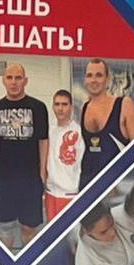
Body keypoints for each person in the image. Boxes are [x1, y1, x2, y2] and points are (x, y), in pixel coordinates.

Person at [0, 63, 47, 250]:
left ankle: (29, 263)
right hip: (3, 178)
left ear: (25, 81)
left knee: (29, 227)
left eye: (18, 78)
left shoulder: (38, 107)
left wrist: (42, 172)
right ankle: (6, 264)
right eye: (10, 78)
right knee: (5, 227)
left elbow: (43, 141)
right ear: (3, 81)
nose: (14, 82)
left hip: (30, 178)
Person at [78, 58, 134, 189]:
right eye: (89, 75)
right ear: (85, 80)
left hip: (116, 186)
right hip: (87, 184)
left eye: (98, 75)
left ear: (107, 79)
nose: (93, 80)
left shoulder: (124, 104)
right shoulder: (84, 107)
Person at [42, 89, 83, 222]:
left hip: (69, 194)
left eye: (64, 104)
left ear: (71, 107)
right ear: (53, 106)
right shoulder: (48, 130)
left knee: (69, 232)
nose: (60, 108)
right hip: (50, 192)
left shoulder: (79, 132)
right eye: (57, 104)